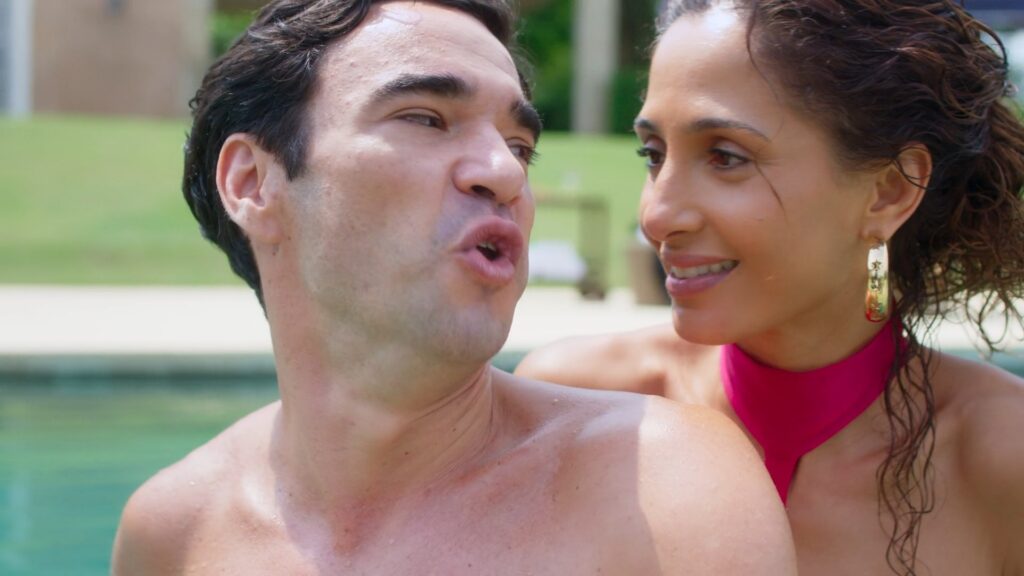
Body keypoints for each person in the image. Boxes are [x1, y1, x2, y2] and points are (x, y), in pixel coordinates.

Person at [110, 1, 797, 574]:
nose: (505, 172)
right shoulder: (175, 535)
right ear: (253, 184)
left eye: (521, 146)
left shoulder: (663, 492)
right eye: (427, 118)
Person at [517, 1, 1024, 574]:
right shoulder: (573, 408)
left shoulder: (1002, 457)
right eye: (652, 156)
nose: (656, 215)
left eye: (725, 157)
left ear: (889, 192)